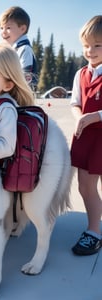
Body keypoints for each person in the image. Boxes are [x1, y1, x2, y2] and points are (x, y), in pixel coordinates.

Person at [70, 15, 102, 255]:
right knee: (85, 186)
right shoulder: (81, 73)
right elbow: (74, 102)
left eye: (97, 45)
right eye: (86, 45)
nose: (90, 51)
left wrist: (95, 116)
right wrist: (80, 115)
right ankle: (93, 231)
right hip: (85, 137)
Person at [0, 6, 37, 91]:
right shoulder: (10, 49)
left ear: (22, 29)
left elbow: (26, 75)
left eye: (8, 28)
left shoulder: (24, 49)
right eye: (1, 28)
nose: (3, 32)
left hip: (20, 95)